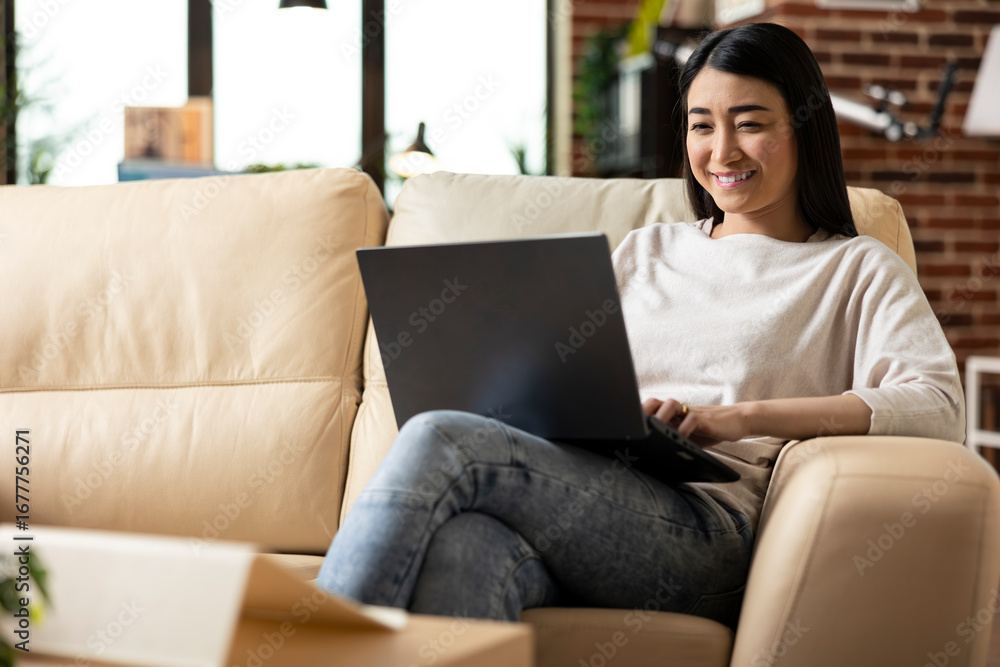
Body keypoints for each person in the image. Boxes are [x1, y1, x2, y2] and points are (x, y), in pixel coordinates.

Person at [315, 22, 965, 631]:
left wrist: (736, 418)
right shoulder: (648, 249)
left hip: (708, 528)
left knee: (440, 438)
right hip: (594, 490)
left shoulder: (854, 267)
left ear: (804, 128)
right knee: (467, 548)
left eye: (749, 123)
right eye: (702, 125)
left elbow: (937, 406)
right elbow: (577, 376)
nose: (721, 150)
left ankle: (309, 648)